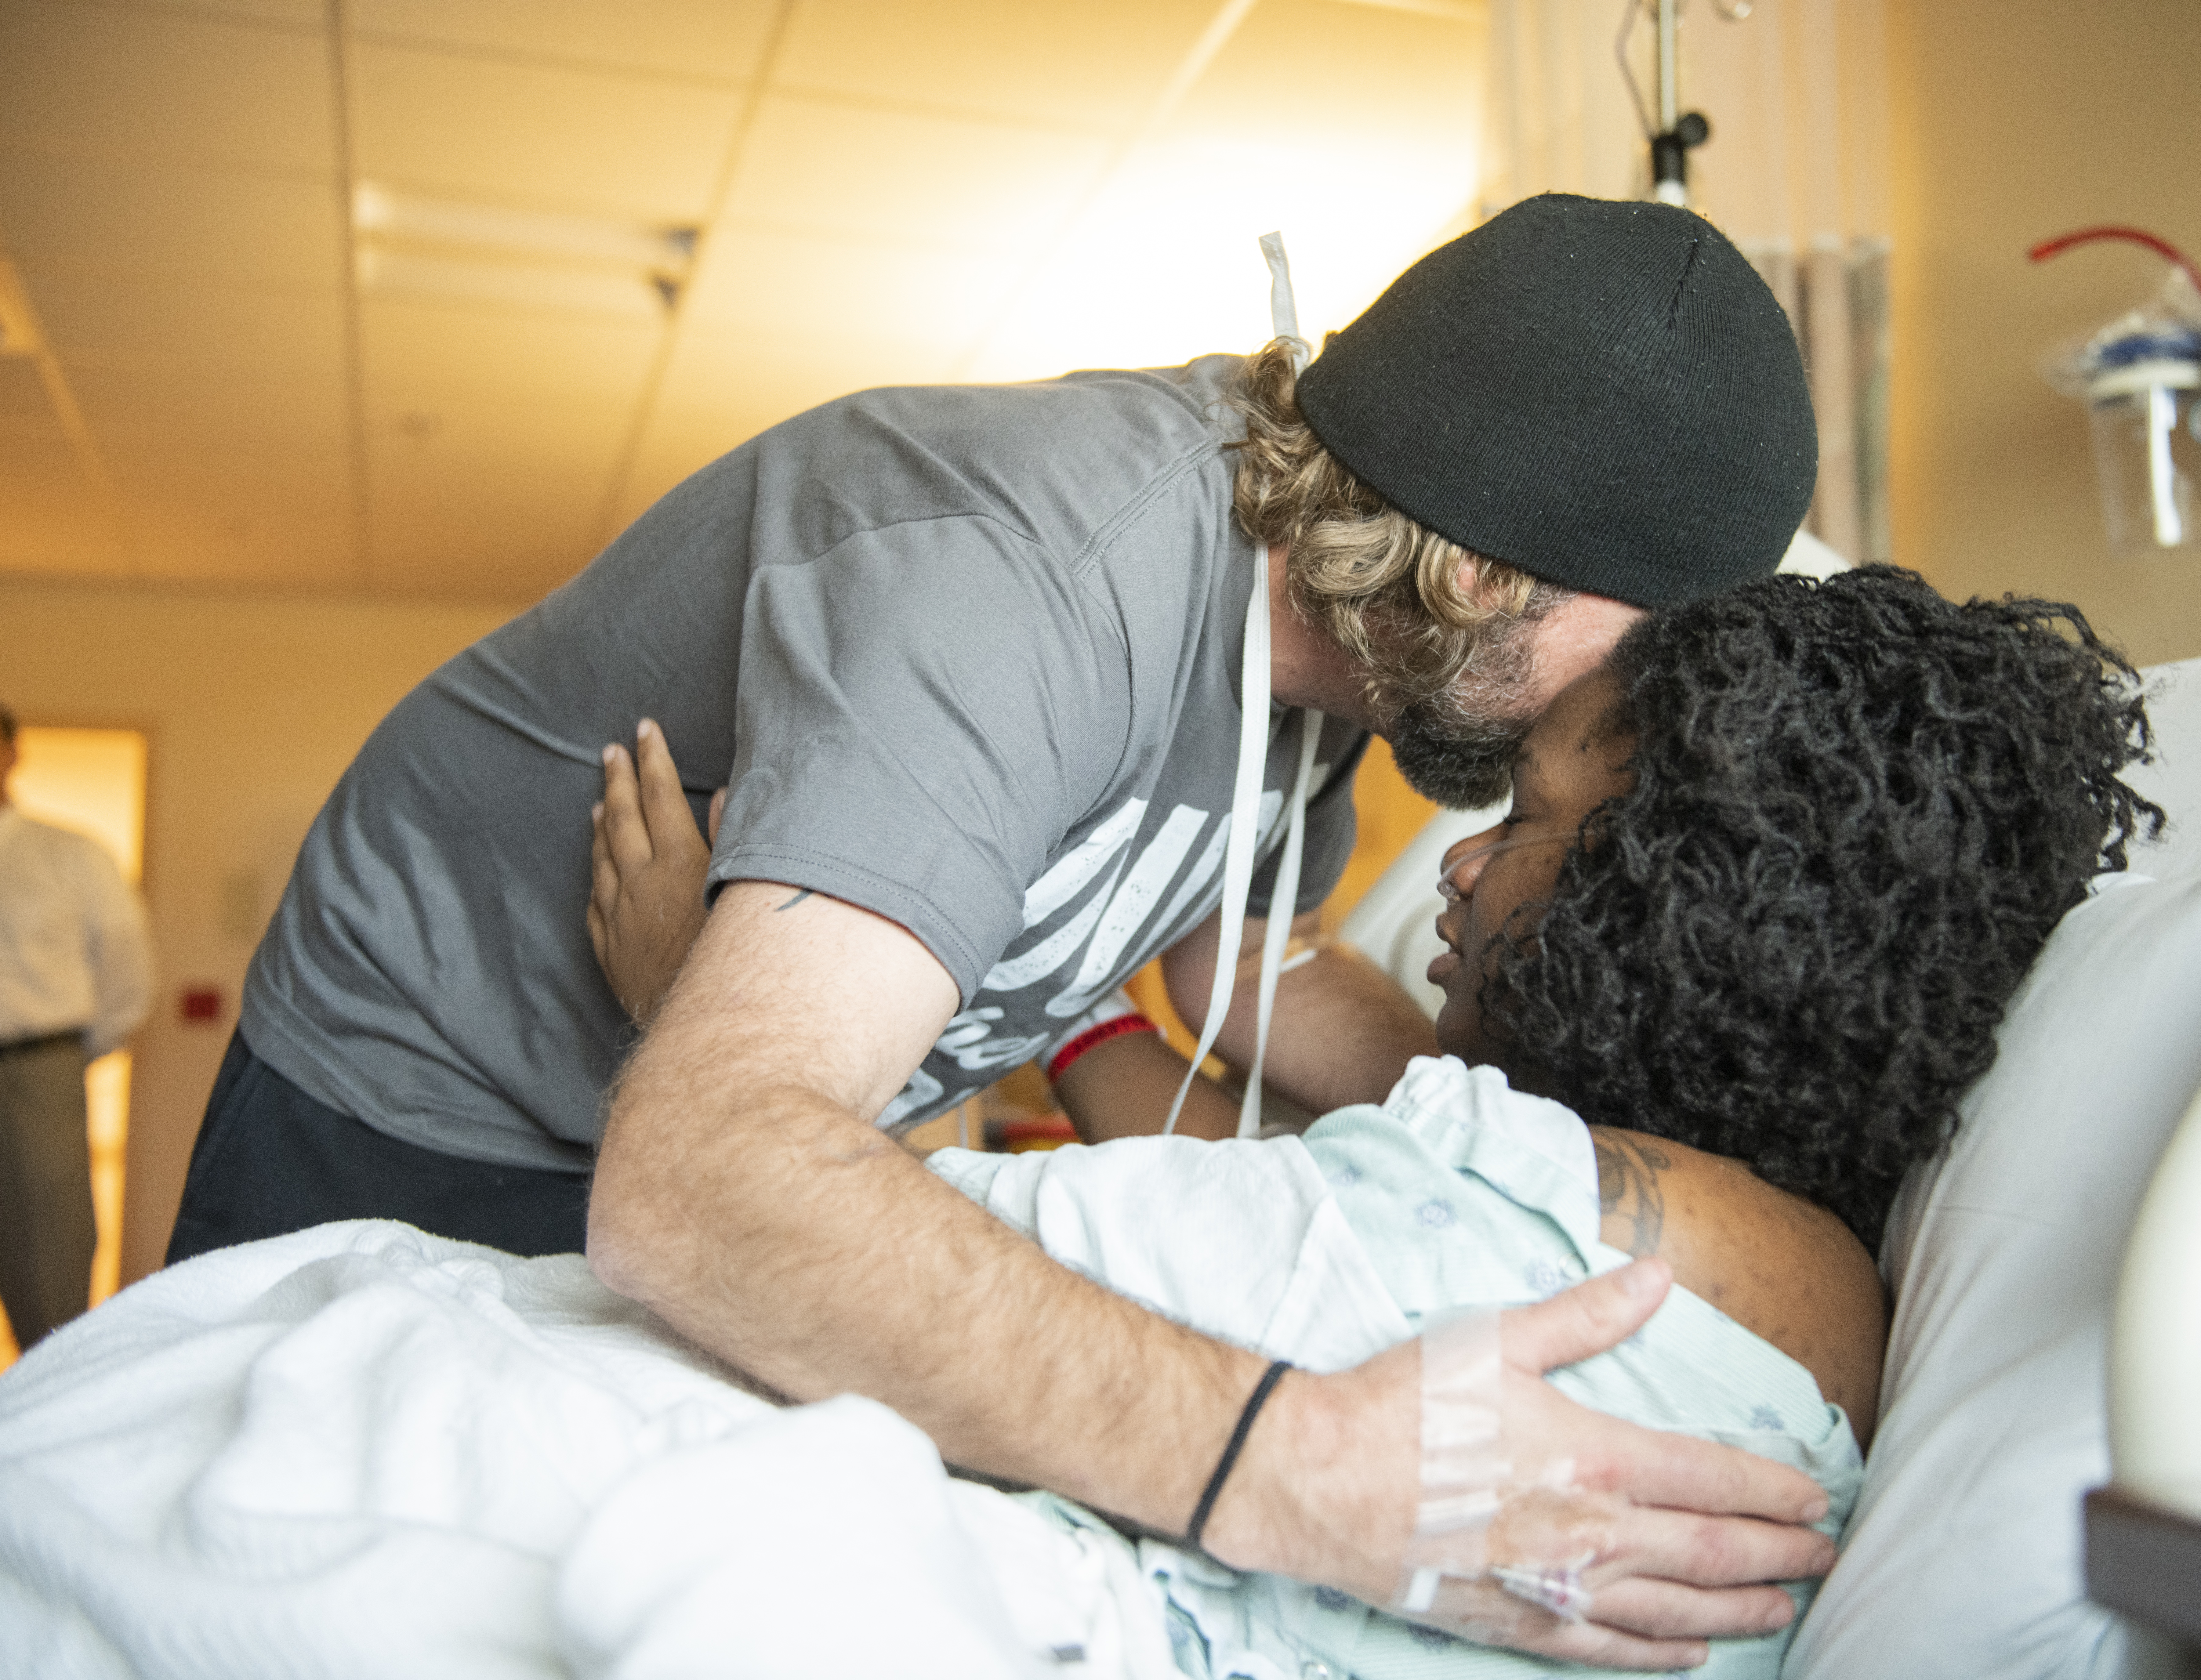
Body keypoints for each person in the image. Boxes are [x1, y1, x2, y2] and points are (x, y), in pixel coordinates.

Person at [169, 194, 1836, 1660]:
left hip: (694, 1099)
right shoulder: (1022, 580)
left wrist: (1518, 1146)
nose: (1618, 720)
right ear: (1485, 574)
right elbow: (701, 1181)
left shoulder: (1350, 646)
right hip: (428, 1078)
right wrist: (1303, 1470)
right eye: (1634, 652)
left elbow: (1232, 954)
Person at [594, 564, 2164, 1673]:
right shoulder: (1808, 1279)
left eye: (1527, 818)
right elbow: (1256, 1187)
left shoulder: (1573, 1219)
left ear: (1683, 907)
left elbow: (817, 1254)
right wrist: (1101, 993)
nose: (1463, 869)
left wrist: (698, 1004)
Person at [0, 703, 154, 1350]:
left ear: (11, 753)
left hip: (38, 1072)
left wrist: (71, 1057)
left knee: (49, 1258)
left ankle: (46, 1420)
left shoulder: (67, 853)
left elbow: (128, 973)